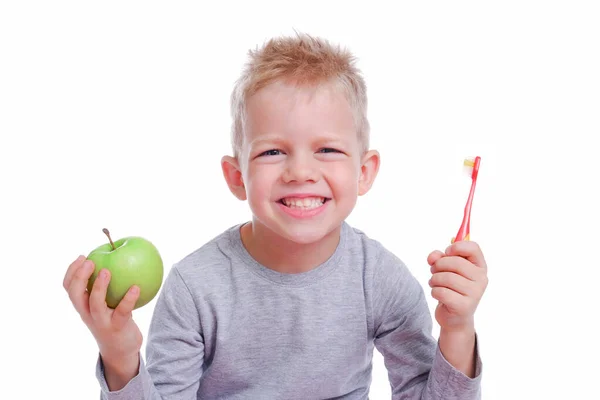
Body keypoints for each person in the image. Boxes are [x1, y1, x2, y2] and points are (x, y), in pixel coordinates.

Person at [63, 32, 488, 399]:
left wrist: (457, 329)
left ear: (364, 172)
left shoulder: (381, 280)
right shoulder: (195, 288)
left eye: (327, 149)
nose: (301, 172)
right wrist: (120, 360)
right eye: (272, 152)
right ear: (237, 177)